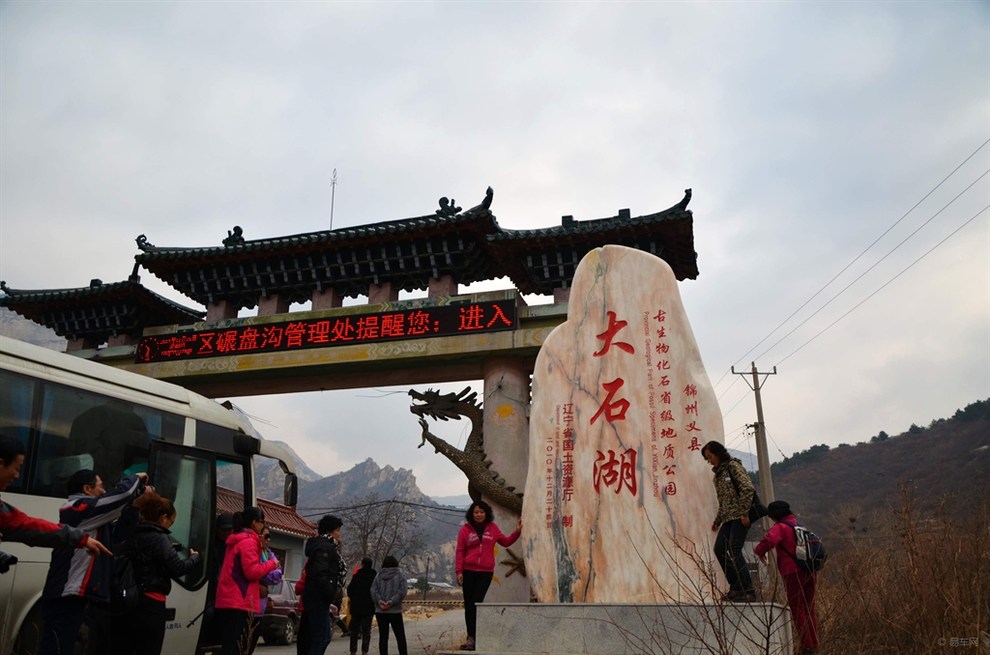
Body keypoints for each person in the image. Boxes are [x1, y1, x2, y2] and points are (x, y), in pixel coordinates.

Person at [38, 468, 147, 655]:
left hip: (78, 596)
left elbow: (117, 537)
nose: (104, 492)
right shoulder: (76, 508)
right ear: (87, 489)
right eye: (101, 486)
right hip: (65, 596)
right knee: (56, 649)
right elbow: (123, 494)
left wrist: (134, 507)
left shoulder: (93, 517)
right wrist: (136, 478)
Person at [114, 490, 202, 655]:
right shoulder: (160, 538)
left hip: (128, 601)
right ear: (163, 518)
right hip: (151, 603)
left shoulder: (132, 534)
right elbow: (178, 568)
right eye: (171, 522)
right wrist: (195, 558)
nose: (170, 526)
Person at [0, 434, 111, 556]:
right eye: (17, 468)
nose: (17, 476)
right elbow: (26, 526)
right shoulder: (79, 506)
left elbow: (26, 525)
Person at [754, 500, 820, 655]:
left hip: (793, 572)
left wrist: (759, 551)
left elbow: (769, 540)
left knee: (797, 609)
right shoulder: (799, 526)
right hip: (810, 570)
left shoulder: (781, 527)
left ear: (776, 515)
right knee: (809, 608)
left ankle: (807, 647)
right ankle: (814, 643)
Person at [455, 500, 521, 652]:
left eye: (481, 512)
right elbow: (460, 551)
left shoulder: (493, 528)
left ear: (486, 514)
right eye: (476, 512)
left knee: (477, 602)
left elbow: (505, 542)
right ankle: (471, 638)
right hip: (468, 571)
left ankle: (478, 636)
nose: (478, 515)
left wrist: (517, 531)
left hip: (485, 572)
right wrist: (459, 571)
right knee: (469, 605)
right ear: (472, 514)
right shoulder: (465, 529)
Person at [214, 507, 280, 655]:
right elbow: (252, 572)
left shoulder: (237, 540)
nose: (262, 526)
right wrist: (272, 564)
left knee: (229, 646)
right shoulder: (248, 542)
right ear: (254, 522)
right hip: (239, 600)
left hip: (228, 599)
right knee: (236, 648)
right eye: (262, 522)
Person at [701, 440, 757, 602]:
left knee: (734, 549)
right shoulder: (718, 475)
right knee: (719, 549)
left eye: (710, 456)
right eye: (707, 458)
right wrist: (718, 521)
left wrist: (744, 513)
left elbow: (748, 488)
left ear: (718, 453)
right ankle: (736, 587)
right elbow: (725, 501)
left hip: (740, 517)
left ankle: (748, 590)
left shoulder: (733, 466)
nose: (709, 460)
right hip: (728, 519)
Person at [301, 514, 345, 655]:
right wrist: (329, 591)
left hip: (318, 598)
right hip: (318, 598)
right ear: (329, 531)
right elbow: (319, 574)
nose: (340, 534)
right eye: (338, 530)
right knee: (320, 638)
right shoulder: (325, 548)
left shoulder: (323, 546)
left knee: (324, 637)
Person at [247, 525, 283, 654]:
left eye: (270, 537)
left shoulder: (268, 554)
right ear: (259, 536)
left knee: (251, 646)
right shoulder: (252, 552)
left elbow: (277, 575)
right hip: (247, 606)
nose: (268, 540)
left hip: (260, 609)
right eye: (266, 536)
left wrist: (265, 571)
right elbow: (254, 572)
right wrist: (267, 570)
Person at [370, 555, 408, 655]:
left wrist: (380, 601)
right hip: (395, 611)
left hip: (381, 611)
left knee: (383, 637)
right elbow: (402, 592)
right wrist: (391, 602)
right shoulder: (400, 575)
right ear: (396, 563)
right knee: (400, 637)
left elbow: (373, 591)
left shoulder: (378, 576)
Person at [346, 557, 377, 655]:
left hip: (356, 608)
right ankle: (364, 651)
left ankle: (353, 651)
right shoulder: (374, 577)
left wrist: (354, 599)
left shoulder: (357, 576)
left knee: (354, 631)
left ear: (362, 564)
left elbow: (350, 590)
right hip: (369, 608)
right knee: (366, 631)